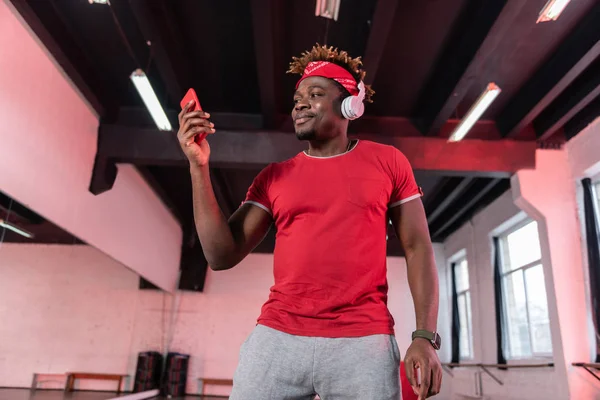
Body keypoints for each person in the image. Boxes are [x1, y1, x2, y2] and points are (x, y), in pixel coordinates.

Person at [177, 44, 442, 400]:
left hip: (363, 342)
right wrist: (199, 166)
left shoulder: (388, 162)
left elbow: (418, 247)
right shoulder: (274, 177)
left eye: (315, 94)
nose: (299, 104)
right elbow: (219, 255)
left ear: (351, 104)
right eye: (297, 97)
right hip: (278, 337)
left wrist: (425, 336)